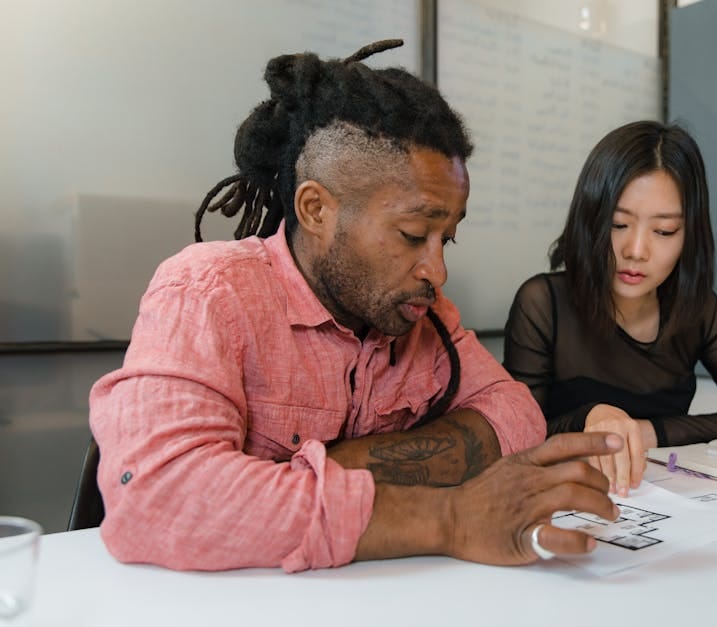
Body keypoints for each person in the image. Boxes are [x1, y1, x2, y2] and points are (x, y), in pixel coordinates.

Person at [89, 40, 623, 572]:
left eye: (447, 239)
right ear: (316, 209)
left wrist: (313, 475)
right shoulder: (207, 292)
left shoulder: (425, 316)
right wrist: (450, 516)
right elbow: (158, 496)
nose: (436, 272)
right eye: (414, 234)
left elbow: (515, 416)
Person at [503, 120, 717, 498]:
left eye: (664, 231)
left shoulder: (697, 310)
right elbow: (517, 435)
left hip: (660, 497)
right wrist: (591, 417)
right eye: (619, 224)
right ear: (590, 220)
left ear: (689, 236)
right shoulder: (543, 304)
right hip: (568, 499)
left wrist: (647, 431)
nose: (636, 250)